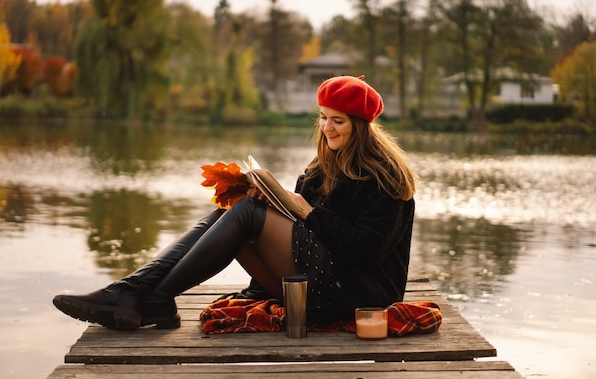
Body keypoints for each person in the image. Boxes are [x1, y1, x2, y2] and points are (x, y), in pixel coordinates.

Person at [53, 75, 417, 330]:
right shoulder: (320, 169)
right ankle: (133, 289)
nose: (327, 128)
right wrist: (274, 202)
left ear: (361, 126)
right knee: (233, 206)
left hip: (358, 295)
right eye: (323, 118)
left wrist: (305, 210)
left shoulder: (385, 177)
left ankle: (155, 298)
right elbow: (300, 235)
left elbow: (365, 252)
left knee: (246, 214)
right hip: (312, 282)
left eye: (338, 121)